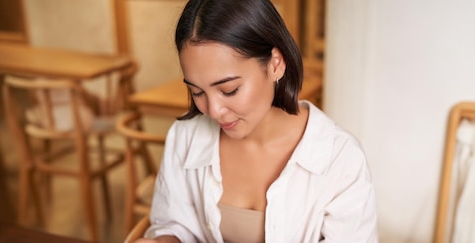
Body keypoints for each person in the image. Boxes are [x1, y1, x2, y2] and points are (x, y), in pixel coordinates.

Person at [135, 0, 378, 242]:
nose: (214, 110)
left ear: (275, 64)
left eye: (229, 90)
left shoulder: (341, 159)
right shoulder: (185, 137)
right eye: (197, 92)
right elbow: (173, 224)